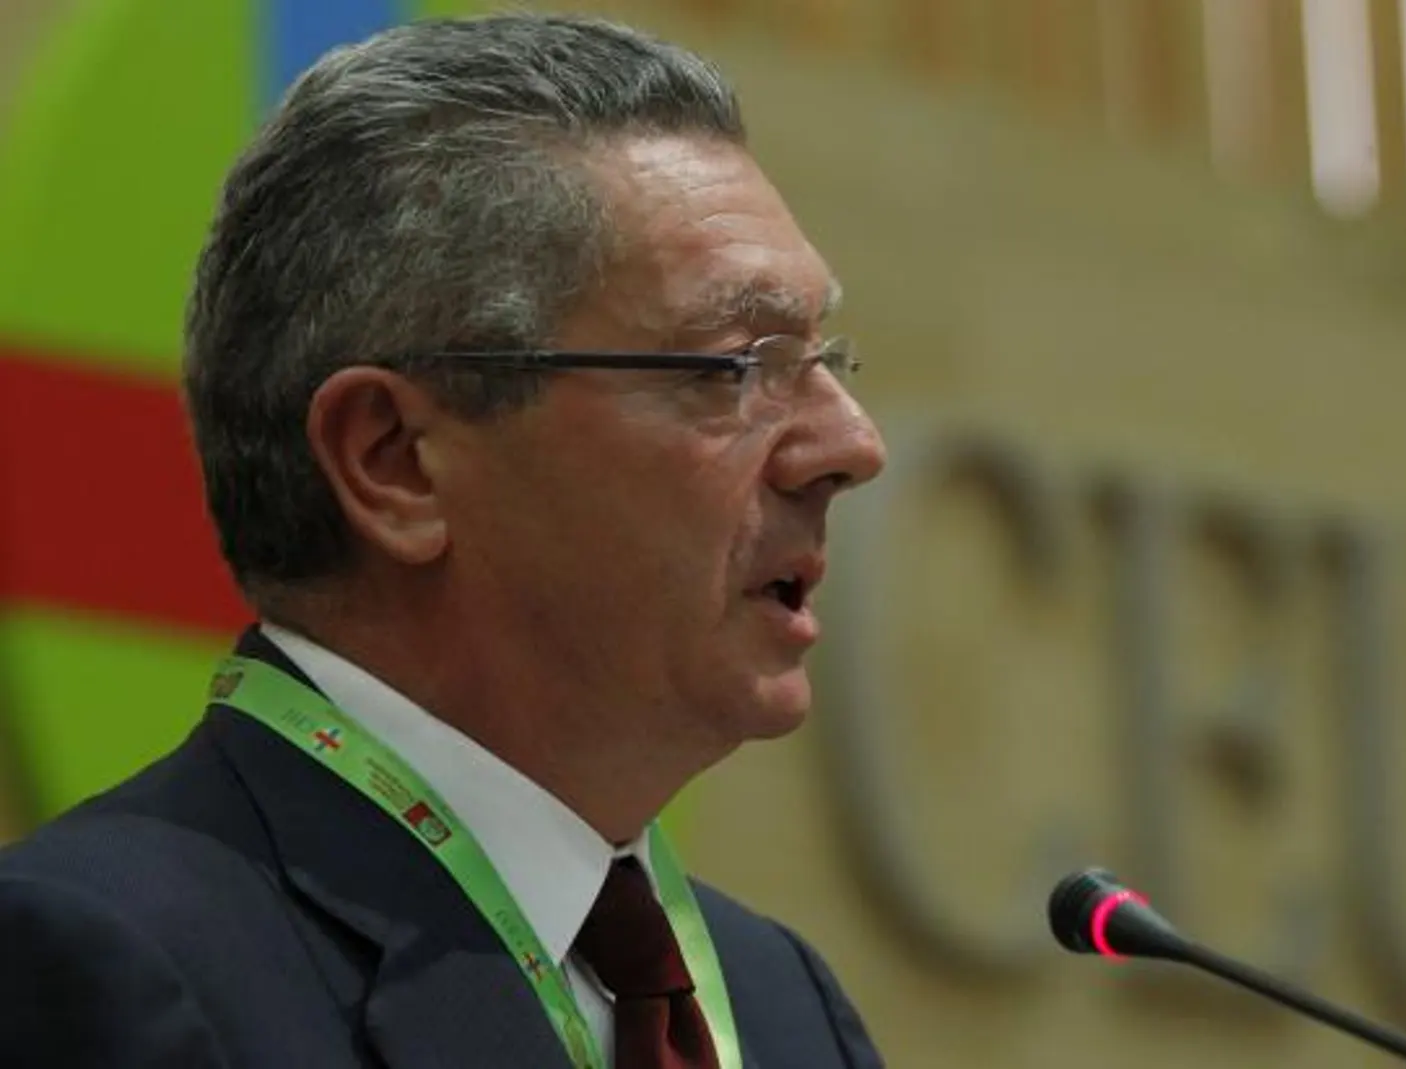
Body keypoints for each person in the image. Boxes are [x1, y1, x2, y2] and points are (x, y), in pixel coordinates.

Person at [0, 13, 887, 1068]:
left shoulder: (780, 1004)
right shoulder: (94, 962)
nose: (849, 443)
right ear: (397, 462)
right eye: (736, 364)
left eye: (827, 356)